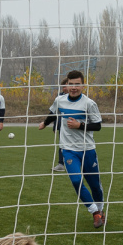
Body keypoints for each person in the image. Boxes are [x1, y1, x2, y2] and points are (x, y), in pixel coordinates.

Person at [38, 70, 106, 228]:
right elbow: (53, 113)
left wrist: (79, 125)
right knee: (76, 180)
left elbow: (98, 126)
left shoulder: (89, 103)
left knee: (94, 184)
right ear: (66, 85)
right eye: (71, 84)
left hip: (87, 149)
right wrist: (45, 123)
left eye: (77, 84)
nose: (74, 87)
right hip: (68, 149)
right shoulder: (60, 100)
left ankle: (101, 210)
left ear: (83, 85)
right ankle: (94, 212)